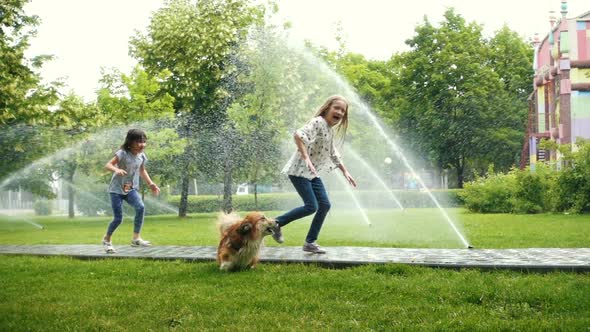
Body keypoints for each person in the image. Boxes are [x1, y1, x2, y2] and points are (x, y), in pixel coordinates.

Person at [273, 95, 356, 254]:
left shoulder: (329, 130)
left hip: (312, 174)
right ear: (327, 109)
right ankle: (276, 223)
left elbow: (333, 153)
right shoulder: (318, 122)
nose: (339, 112)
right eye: (336, 108)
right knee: (311, 206)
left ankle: (310, 242)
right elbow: (299, 135)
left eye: (342, 111)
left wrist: (345, 172)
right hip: (299, 171)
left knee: (325, 205)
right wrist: (306, 158)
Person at [101, 129, 160, 253]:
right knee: (118, 218)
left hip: (130, 188)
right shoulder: (122, 153)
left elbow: (142, 170)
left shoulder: (142, 156)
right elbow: (108, 165)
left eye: (144, 142)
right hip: (116, 190)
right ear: (130, 142)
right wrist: (116, 170)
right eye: (139, 142)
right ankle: (107, 240)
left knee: (140, 207)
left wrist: (151, 184)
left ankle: (136, 238)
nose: (142, 144)